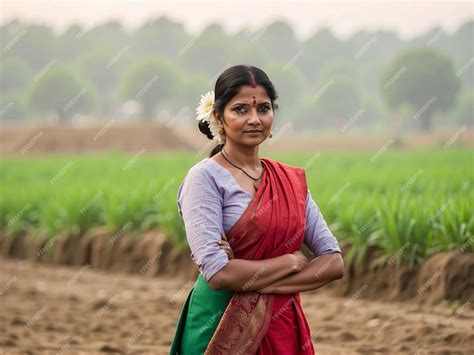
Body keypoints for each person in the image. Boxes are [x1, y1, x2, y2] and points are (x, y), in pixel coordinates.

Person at [170, 65, 344, 354]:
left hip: (281, 323)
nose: (254, 119)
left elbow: (333, 262)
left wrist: (261, 284)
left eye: (263, 108)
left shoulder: (288, 180)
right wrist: (288, 263)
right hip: (220, 324)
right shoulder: (205, 178)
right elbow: (219, 274)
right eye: (240, 110)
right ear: (218, 117)